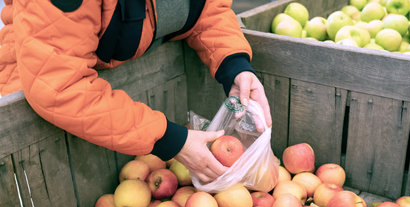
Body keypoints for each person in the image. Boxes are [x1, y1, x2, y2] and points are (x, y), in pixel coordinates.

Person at [0, 0, 272, 183]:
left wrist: (233, 64)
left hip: (119, 110)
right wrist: (170, 140)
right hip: (38, 123)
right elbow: (58, 84)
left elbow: (205, 9)